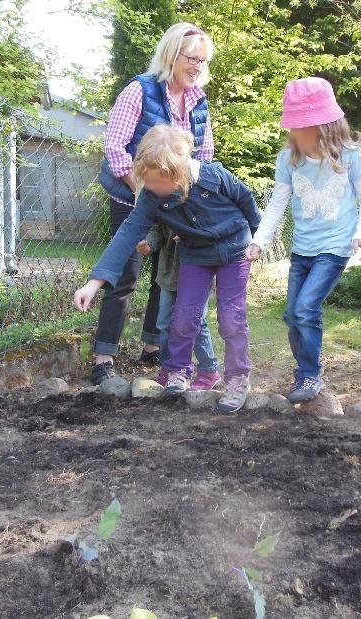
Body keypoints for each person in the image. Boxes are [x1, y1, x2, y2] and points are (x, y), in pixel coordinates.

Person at [75, 125, 261, 413]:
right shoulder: (150, 197)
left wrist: (258, 240)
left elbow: (247, 201)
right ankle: (178, 371)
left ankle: (237, 378)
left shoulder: (213, 176)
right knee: (184, 316)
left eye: (158, 183)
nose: (151, 189)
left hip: (234, 249)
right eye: (147, 182)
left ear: (179, 173)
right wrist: (94, 282)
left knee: (230, 317)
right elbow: (127, 234)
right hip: (195, 253)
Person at [92, 22, 216, 386]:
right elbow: (116, 148)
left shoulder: (198, 100)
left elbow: (203, 155)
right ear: (172, 54)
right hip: (132, 196)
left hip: (175, 202)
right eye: (191, 58)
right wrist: (143, 194)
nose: (197, 66)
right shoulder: (140, 90)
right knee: (125, 274)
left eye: (202, 60)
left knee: (166, 276)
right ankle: (104, 356)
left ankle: (152, 346)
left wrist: (188, 200)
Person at [246, 77, 361, 403]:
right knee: (292, 314)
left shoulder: (349, 155)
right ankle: (306, 371)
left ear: (320, 125)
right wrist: (258, 241)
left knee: (306, 309)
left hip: (335, 247)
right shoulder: (288, 159)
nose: (291, 132)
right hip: (302, 249)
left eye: (297, 126)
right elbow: (277, 204)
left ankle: (309, 376)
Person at [136, 224, 221, 390]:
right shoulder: (162, 202)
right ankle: (170, 367)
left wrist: (192, 236)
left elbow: (214, 228)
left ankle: (209, 369)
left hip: (198, 271)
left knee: (195, 322)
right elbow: (158, 228)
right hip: (168, 273)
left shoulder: (202, 200)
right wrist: (149, 244)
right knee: (164, 322)